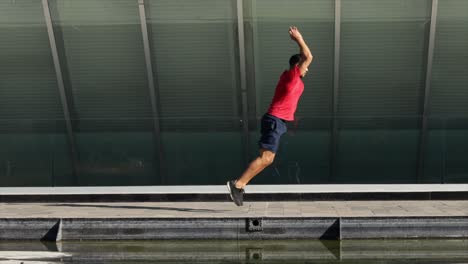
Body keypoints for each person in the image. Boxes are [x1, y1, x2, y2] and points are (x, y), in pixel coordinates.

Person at [227, 26, 313, 206]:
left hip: (277, 121)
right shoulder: (292, 76)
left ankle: (240, 185)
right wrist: (299, 38)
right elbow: (308, 56)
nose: (308, 70)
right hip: (274, 120)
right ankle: (238, 185)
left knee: (267, 159)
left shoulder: (292, 78)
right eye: (305, 67)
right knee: (267, 158)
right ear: (297, 66)